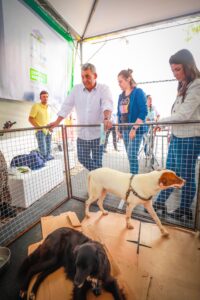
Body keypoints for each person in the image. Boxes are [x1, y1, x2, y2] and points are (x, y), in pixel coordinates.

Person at [153, 49, 200, 221]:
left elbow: (184, 115)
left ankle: (184, 210)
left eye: (178, 69)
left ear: (188, 67)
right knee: (169, 172)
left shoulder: (197, 84)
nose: (175, 74)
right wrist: (171, 132)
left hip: (190, 139)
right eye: (173, 70)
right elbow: (177, 112)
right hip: (178, 137)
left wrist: (159, 122)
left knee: (185, 176)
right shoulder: (183, 85)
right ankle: (159, 203)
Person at [49, 63, 113, 171]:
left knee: (98, 160)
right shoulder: (76, 89)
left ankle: (98, 182)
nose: (84, 80)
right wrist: (57, 122)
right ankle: (101, 175)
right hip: (82, 133)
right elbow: (66, 106)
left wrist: (106, 118)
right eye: (82, 76)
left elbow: (107, 104)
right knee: (82, 158)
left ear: (95, 76)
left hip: (100, 132)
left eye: (87, 76)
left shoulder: (104, 88)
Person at [117, 69, 148, 174]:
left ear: (128, 79)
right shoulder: (120, 96)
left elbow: (143, 112)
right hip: (125, 130)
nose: (119, 84)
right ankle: (133, 177)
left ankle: (134, 180)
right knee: (130, 156)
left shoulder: (138, 92)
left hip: (136, 129)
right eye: (118, 82)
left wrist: (134, 128)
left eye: (120, 81)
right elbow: (119, 114)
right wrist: (118, 129)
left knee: (131, 154)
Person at [29, 90, 54, 161]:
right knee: (43, 151)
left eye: (47, 97)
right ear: (40, 98)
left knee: (48, 151)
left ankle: (48, 166)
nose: (45, 98)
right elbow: (30, 118)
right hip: (40, 131)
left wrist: (50, 127)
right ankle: (40, 160)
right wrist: (39, 128)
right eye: (43, 97)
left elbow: (48, 119)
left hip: (48, 131)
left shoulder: (49, 108)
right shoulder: (36, 106)